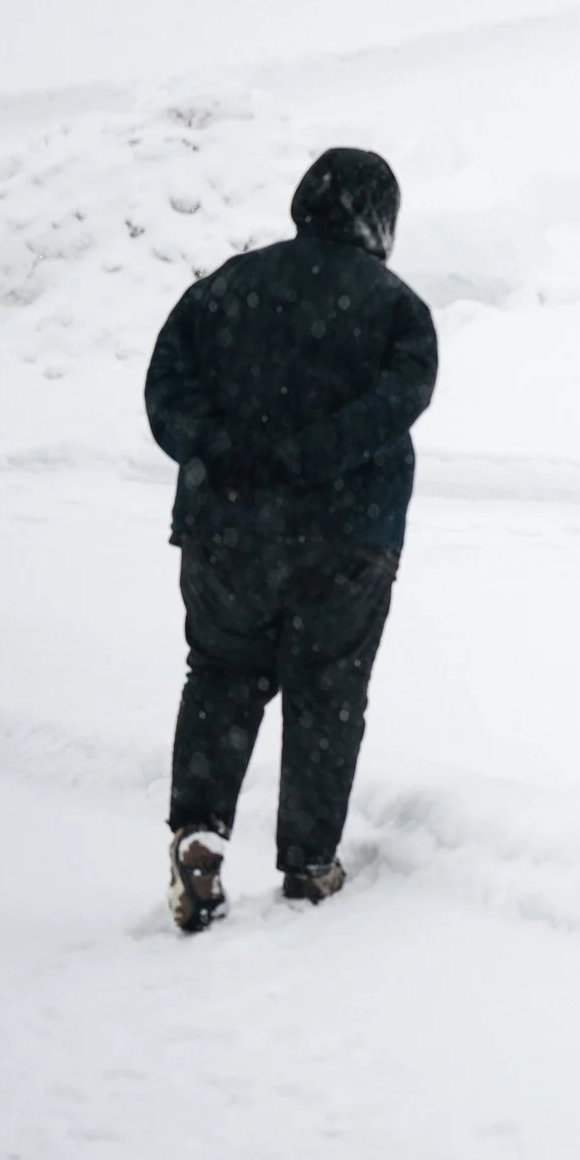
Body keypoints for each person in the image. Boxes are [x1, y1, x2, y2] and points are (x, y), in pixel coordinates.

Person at [144, 148, 438, 933]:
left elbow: (165, 391)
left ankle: (200, 832)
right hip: (348, 538)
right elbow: (400, 400)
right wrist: (316, 457)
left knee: (221, 677)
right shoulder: (395, 308)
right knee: (328, 691)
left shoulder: (223, 290)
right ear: (380, 217)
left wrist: (223, 453)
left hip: (225, 533)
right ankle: (309, 862)